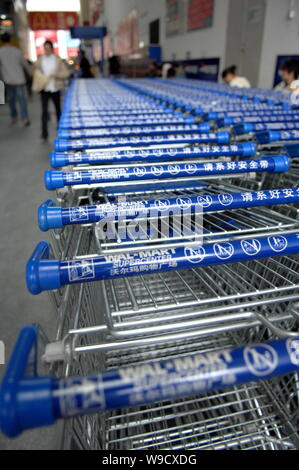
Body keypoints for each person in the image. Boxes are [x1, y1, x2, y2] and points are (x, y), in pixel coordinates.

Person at [35, 40, 70, 140]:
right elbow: (34, 71)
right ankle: (44, 132)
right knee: (44, 111)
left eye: (48, 48)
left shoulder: (57, 60)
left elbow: (66, 73)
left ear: (52, 48)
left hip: (55, 88)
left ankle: (61, 130)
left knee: (58, 110)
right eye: (45, 48)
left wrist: (56, 75)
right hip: (44, 88)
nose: (47, 50)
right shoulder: (40, 60)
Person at [0, 32, 30, 126]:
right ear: (10, 40)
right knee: (22, 100)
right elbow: (25, 64)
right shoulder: (17, 51)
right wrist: (31, 74)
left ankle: (14, 116)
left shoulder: (0, 52)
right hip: (19, 79)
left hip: (7, 80)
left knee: (11, 100)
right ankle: (25, 118)